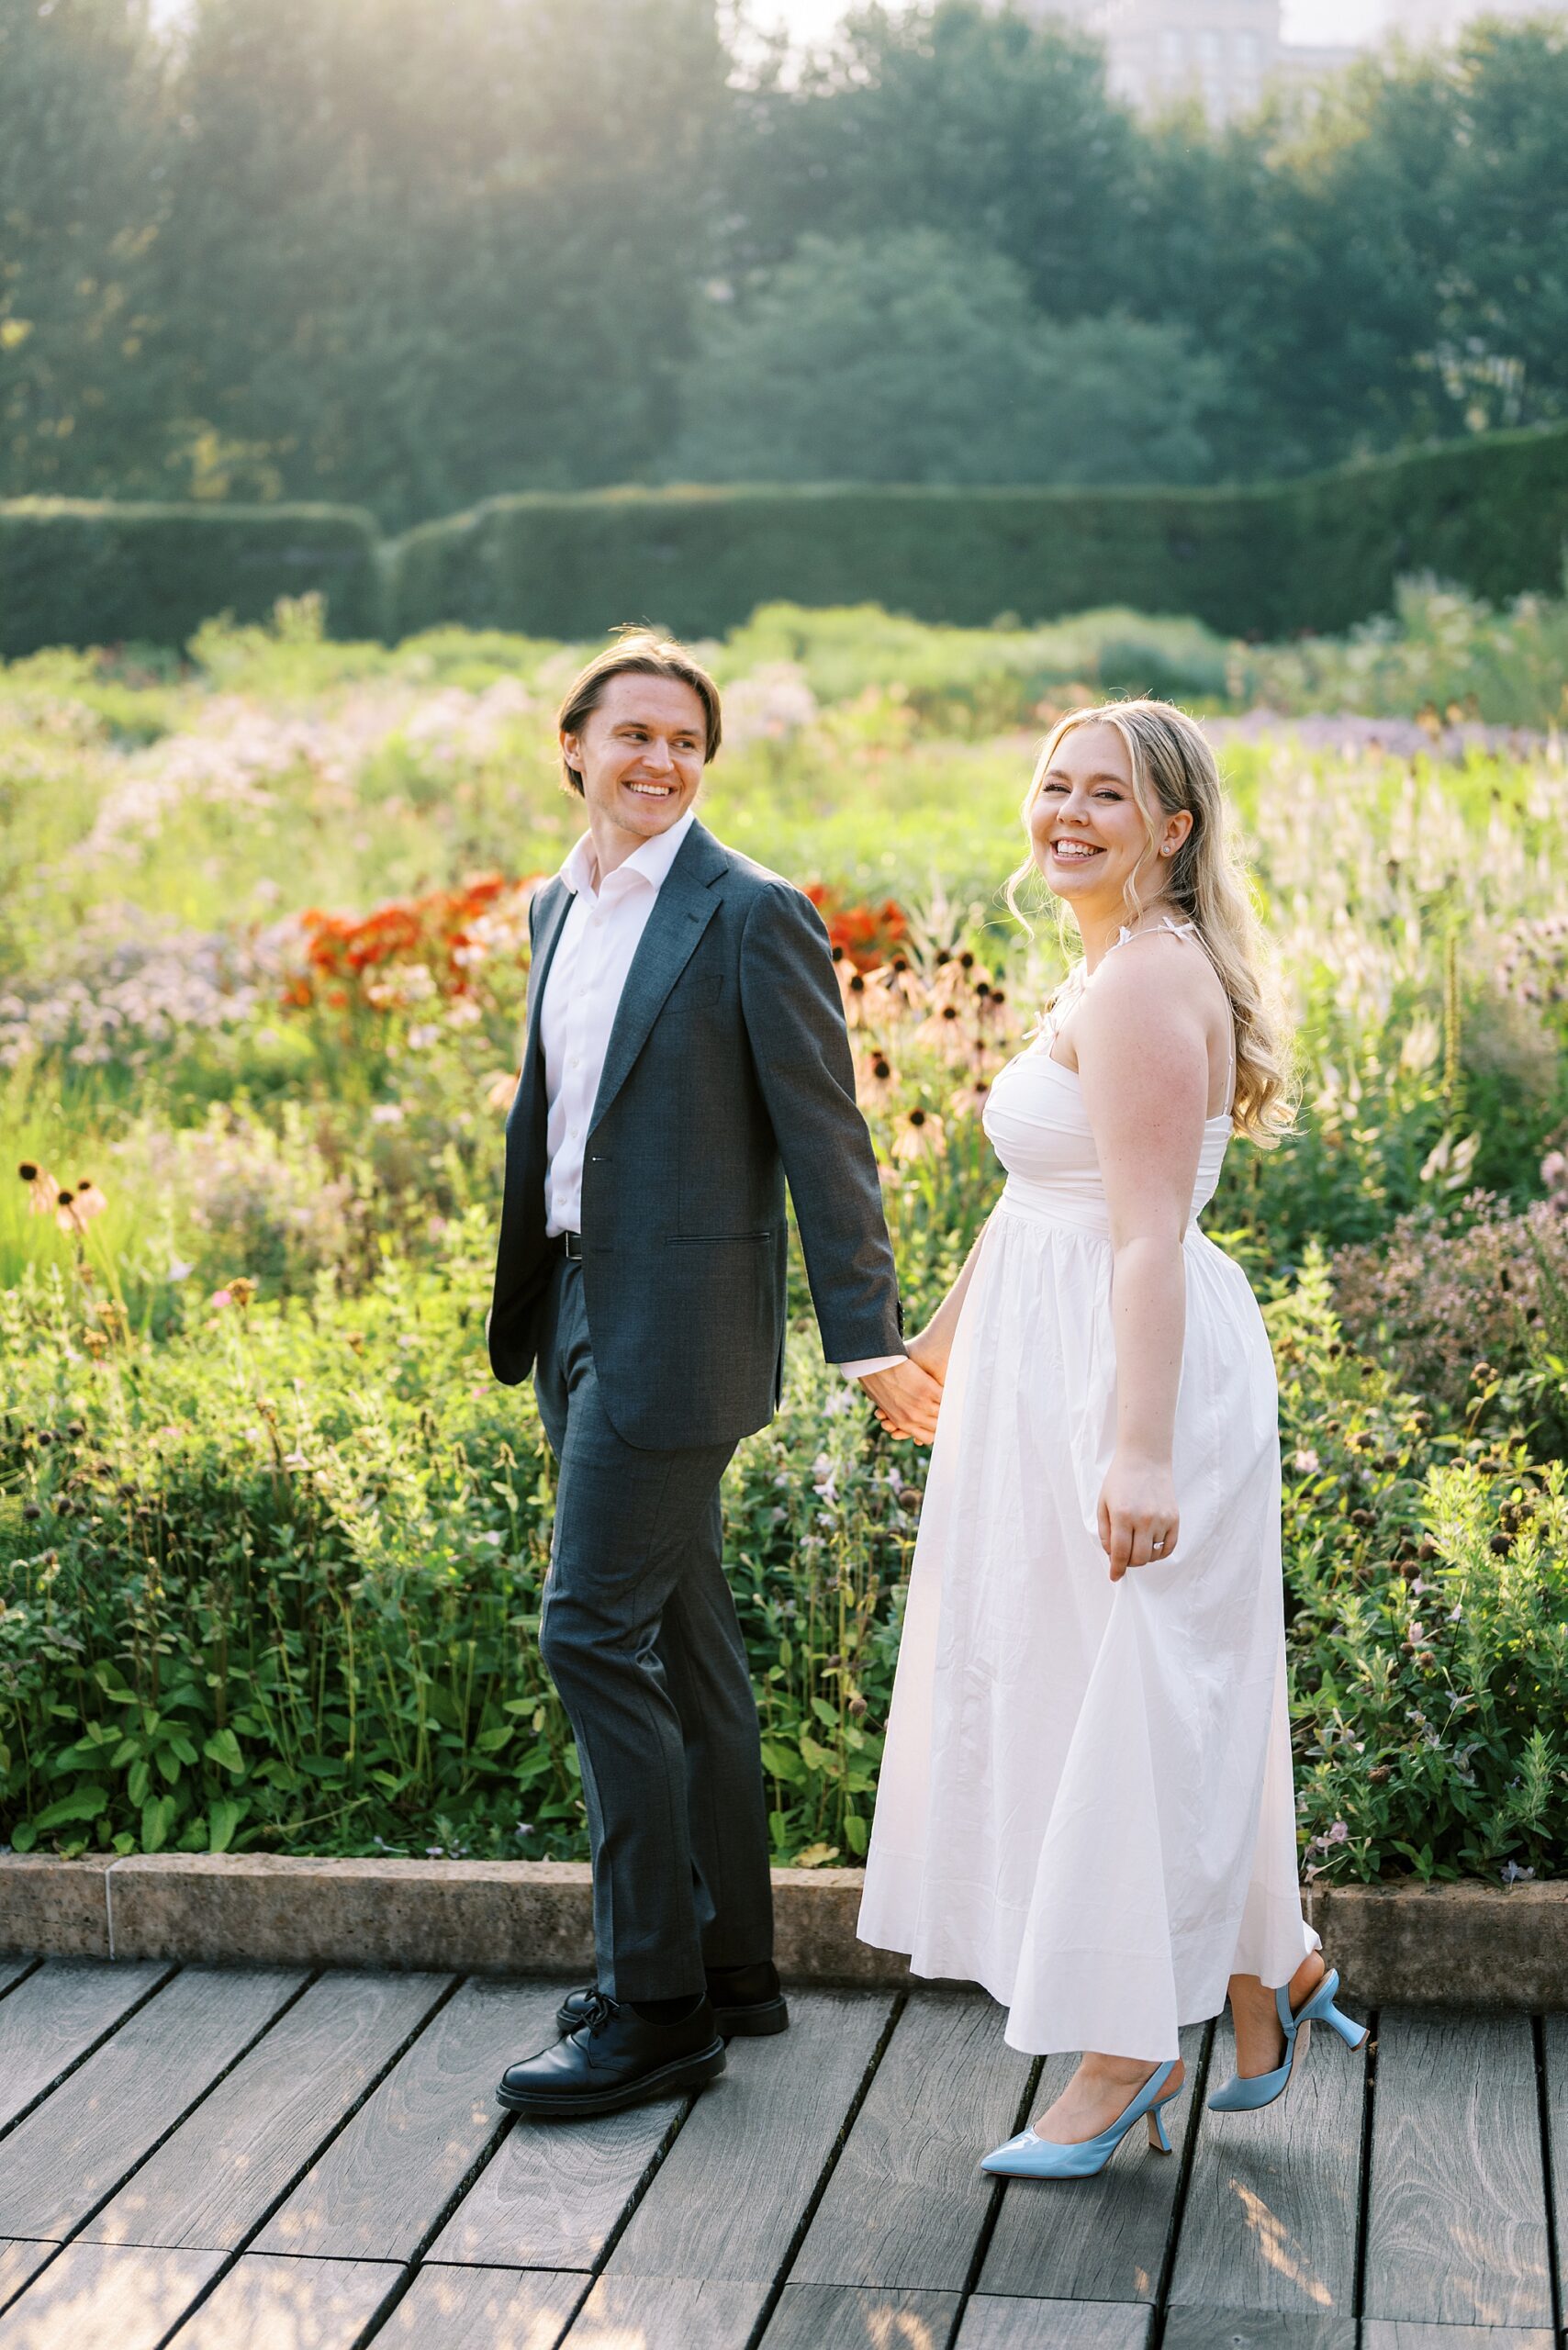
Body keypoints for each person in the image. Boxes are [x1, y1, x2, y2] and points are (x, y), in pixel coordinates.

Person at [858, 699, 1366, 2180]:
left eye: (1109, 795)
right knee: (1117, 1684)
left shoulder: (1147, 984)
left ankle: (1128, 2050)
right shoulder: (1106, 969)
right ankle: (1265, 1965)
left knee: (1133, 1695)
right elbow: (1042, 1204)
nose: (1069, 812)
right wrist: (936, 1347)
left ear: (1173, 831)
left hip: (1127, 1376)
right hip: (1054, 1355)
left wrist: (1136, 1454)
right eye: (1054, 784)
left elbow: (1148, 1239)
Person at [487, 631, 941, 2120]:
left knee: (587, 1634)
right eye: (633, 735)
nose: (661, 762)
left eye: (685, 741)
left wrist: (868, 1335)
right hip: (569, 1307)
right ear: (575, 747)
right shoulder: (560, 902)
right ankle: (734, 1970)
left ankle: (656, 2005)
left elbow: (827, 1136)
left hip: (678, 1336)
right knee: (685, 1648)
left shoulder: (753, 914)